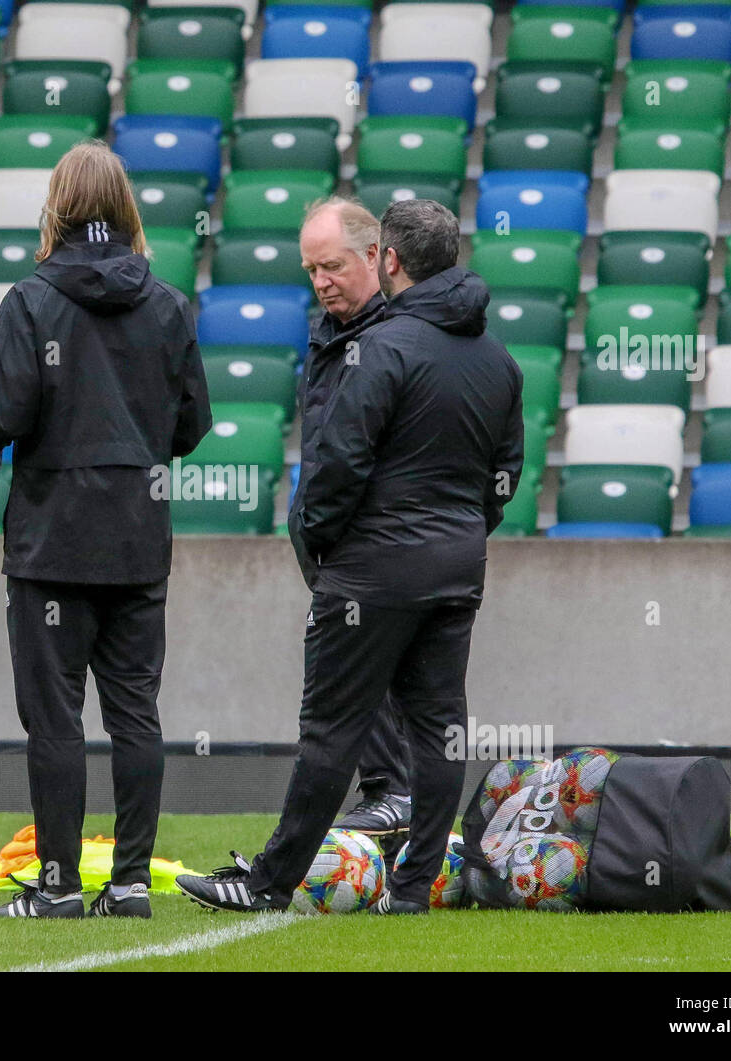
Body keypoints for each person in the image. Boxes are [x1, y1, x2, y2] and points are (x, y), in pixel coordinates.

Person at [177, 198, 524, 914]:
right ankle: (411, 887)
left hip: (372, 569)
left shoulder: (386, 347)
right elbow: (505, 474)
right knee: (439, 726)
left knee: (330, 730)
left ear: (387, 261)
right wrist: (462, 529)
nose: (321, 280)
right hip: (457, 567)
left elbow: (338, 463)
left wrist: (327, 543)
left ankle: (268, 880)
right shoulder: (499, 359)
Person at [0, 141, 211, 919]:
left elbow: (1, 422)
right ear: (127, 210)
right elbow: (191, 426)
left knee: (55, 721)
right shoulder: (168, 304)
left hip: (52, 545)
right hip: (137, 541)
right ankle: (127, 884)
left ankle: (56, 886)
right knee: (135, 715)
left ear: (56, 207)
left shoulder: (29, 301)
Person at [297, 199, 413, 849]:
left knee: (360, 673)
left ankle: (391, 791)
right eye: (312, 269)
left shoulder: (394, 335)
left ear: (375, 257)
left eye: (332, 266)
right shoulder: (327, 330)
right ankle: (392, 795)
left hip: (372, 536)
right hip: (332, 532)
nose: (321, 281)